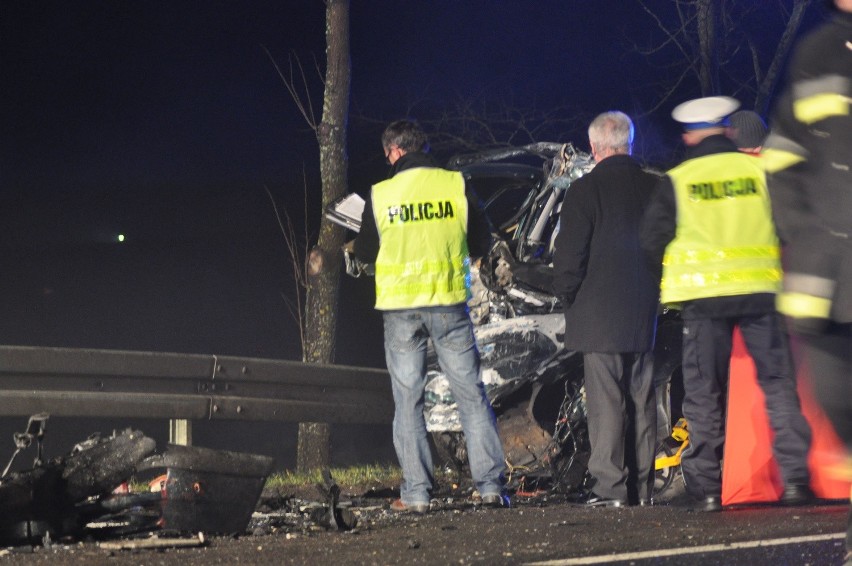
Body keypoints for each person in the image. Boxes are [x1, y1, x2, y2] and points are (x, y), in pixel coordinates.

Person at [640, 96, 813, 512]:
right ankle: (795, 482)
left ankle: (708, 490)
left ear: (690, 135)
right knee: (777, 386)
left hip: (703, 303)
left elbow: (649, 242)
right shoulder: (759, 170)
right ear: (728, 130)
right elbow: (793, 226)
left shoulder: (679, 180)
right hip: (760, 294)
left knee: (704, 395)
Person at [353, 119, 506, 512]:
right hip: (449, 303)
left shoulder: (381, 194)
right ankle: (490, 487)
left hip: (401, 311)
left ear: (395, 151)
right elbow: (481, 241)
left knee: (408, 402)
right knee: (471, 395)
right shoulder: (454, 184)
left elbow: (368, 253)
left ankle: (417, 495)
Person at [762, 0, 852, 560]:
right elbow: (782, 157)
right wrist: (807, 230)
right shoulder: (817, 52)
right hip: (828, 278)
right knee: (836, 397)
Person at [551, 111, 660, 507]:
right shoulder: (656, 189)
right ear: (629, 144)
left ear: (595, 147)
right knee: (642, 402)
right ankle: (643, 490)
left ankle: (611, 490)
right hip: (644, 313)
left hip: (597, 315)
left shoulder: (584, 191)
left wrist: (567, 297)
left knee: (606, 404)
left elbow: (569, 260)